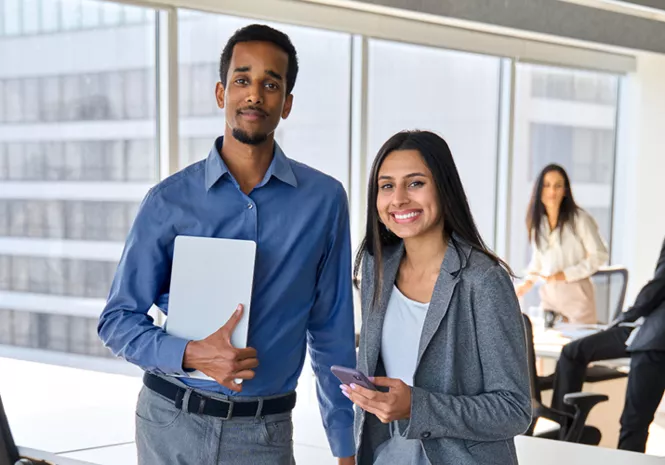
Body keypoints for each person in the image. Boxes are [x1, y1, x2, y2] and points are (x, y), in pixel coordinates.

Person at [98, 24, 356, 465]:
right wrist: (193, 353)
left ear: (286, 104)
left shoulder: (325, 202)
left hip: (264, 434)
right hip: (170, 424)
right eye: (242, 80)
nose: (254, 94)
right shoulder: (168, 201)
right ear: (222, 94)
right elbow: (117, 321)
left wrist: (345, 446)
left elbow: (331, 330)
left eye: (270, 83)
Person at [345, 131, 531, 464]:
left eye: (415, 183)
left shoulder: (483, 280)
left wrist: (418, 407)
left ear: (443, 188)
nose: (398, 199)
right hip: (389, 455)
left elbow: (514, 409)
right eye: (386, 186)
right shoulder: (377, 268)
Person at [552, 236, 665, 453]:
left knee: (634, 424)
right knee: (572, 351)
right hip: (645, 327)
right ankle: (564, 435)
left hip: (655, 336)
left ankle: (560, 441)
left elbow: (660, 284)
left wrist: (625, 316)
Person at [516, 164, 609, 324]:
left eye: (558, 186)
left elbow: (599, 255)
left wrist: (565, 274)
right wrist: (526, 283)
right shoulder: (539, 223)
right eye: (547, 185)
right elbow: (538, 262)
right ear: (539, 189)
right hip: (550, 299)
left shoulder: (580, 219)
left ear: (565, 190)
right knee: (546, 345)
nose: (552, 191)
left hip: (577, 298)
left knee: (576, 347)